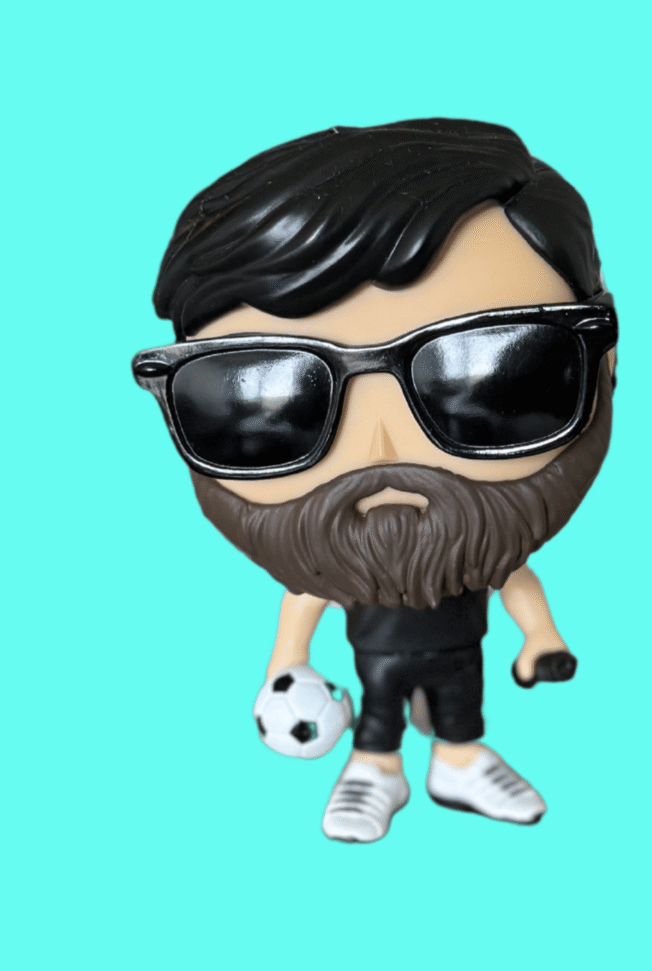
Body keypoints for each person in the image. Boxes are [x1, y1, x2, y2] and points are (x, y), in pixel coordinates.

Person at [133, 119, 618, 842]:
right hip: (379, 661)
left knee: (462, 708)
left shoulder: (478, 554)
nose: (380, 449)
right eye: (266, 405)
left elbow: (517, 584)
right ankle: (374, 769)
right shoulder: (335, 567)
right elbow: (303, 602)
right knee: (380, 711)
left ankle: (459, 762)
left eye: (491, 379)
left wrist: (540, 640)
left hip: (458, 654)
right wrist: (287, 663)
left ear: (605, 361)